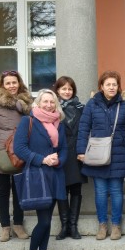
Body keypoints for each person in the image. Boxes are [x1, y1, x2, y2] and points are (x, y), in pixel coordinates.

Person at [13, 89, 68, 250]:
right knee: (43, 221)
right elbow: (19, 148)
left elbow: (64, 148)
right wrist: (42, 159)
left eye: (52, 102)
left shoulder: (58, 122)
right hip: (38, 174)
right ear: (38, 103)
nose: (49, 105)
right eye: (45, 101)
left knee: (48, 219)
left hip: (55, 175)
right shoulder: (27, 121)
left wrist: (58, 160)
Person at [77, 71, 125, 241]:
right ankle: (102, 224)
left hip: (119, 153)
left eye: (114, 84)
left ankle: (116, 225)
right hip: (97, 153)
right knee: (100, 191)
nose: (111, 87)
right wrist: (81, 151)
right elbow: (83, 128)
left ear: (118, 86)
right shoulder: (92, 104)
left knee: (116, 191)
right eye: (108, 84)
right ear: (101, 86)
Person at [0, 70, 33, 242]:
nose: (12, 86)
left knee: (19, 190)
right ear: (2, 85)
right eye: (8, 83)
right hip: (2, 150)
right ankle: (5, 226)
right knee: (2, 191)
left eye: (14, 82)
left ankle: (18, 224)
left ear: (19, 83)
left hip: (21, 149)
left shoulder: (27, 101)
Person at [52, 76, 87, 240]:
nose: (67, 92)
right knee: (62, 190)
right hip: (60, 154)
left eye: (70, 89)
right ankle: (64, 226)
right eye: (64, 89)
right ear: (57, 90)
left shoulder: (82, 108)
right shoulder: (52, 109)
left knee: (76, 190)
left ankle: (73, 226)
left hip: (77, 153)